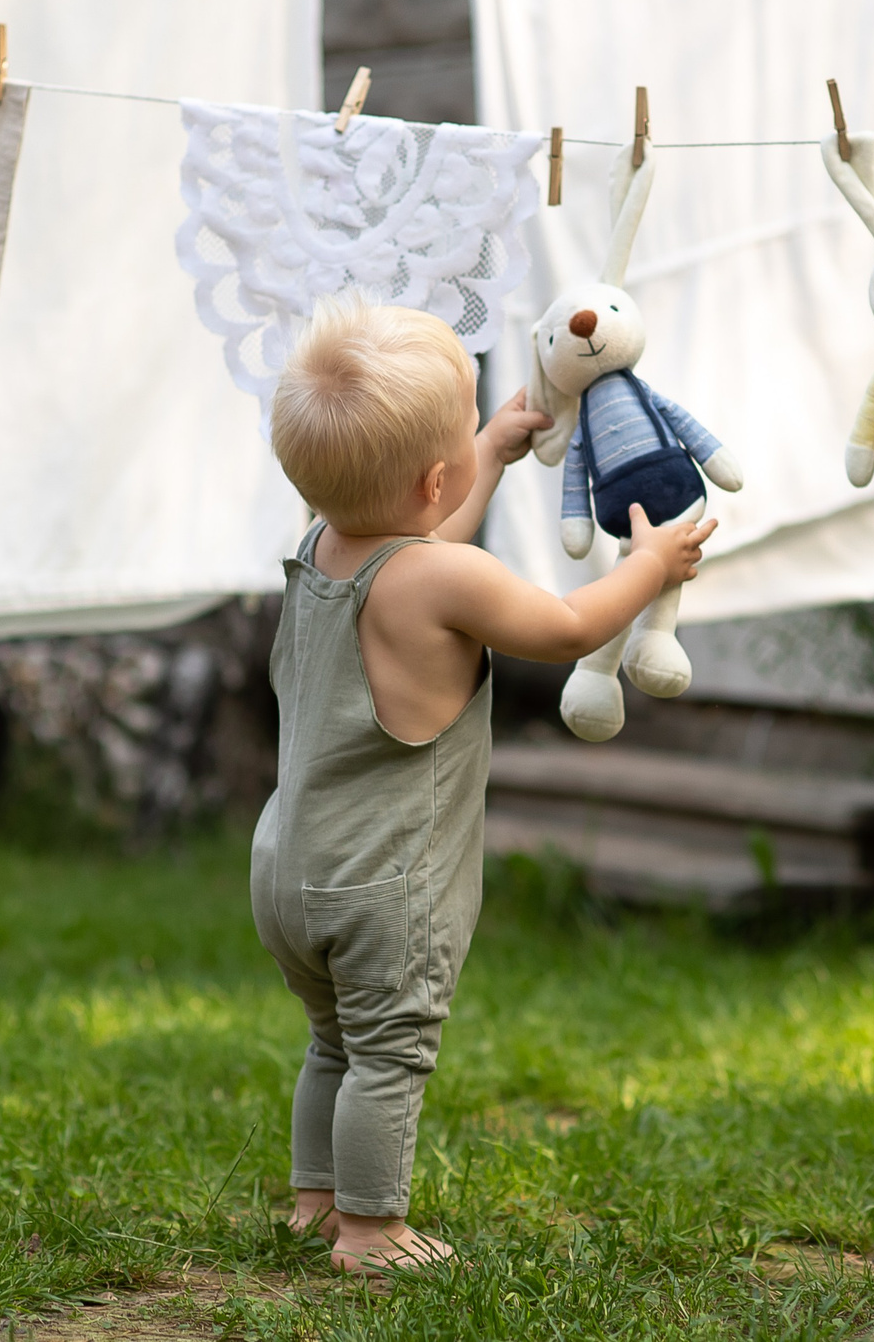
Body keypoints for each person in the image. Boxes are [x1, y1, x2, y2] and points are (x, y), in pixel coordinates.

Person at [255, 301, 716, 1276]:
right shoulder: (442, 579)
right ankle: (373, 1232)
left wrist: (491, 450)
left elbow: (416, 539)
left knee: (333, 1040)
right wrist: (647, 567)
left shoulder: (322, 548)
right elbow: (559, 625)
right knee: (389, 1052)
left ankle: (315, 1200)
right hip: (386, 885)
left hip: (288, 867)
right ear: (434, 479)